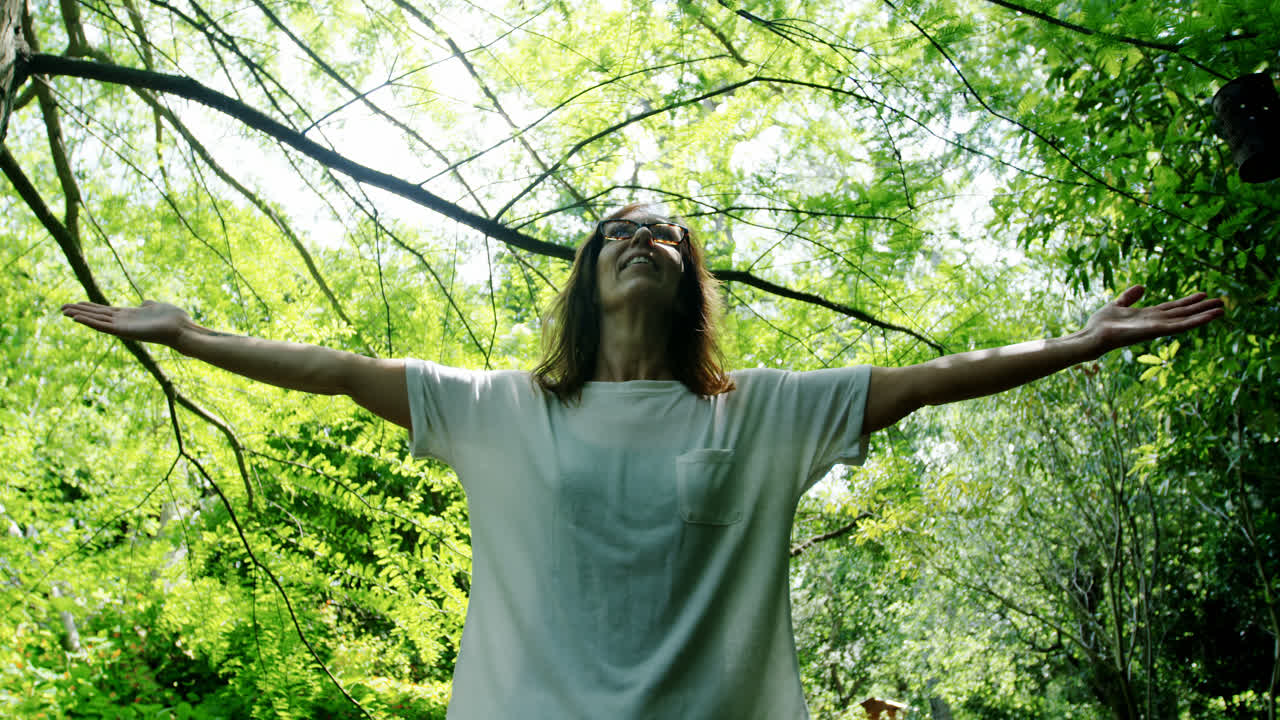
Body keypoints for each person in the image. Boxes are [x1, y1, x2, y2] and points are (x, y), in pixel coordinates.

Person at [61, 202, 1224, 719]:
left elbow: (930, 379)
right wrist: (187, 333)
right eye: (618, 231)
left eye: (666, 234)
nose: (642, 241)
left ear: (688, 281)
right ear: (587, 277)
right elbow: (331, 367)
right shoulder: (499, 409)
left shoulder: (757, 415)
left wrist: (1076, 345)